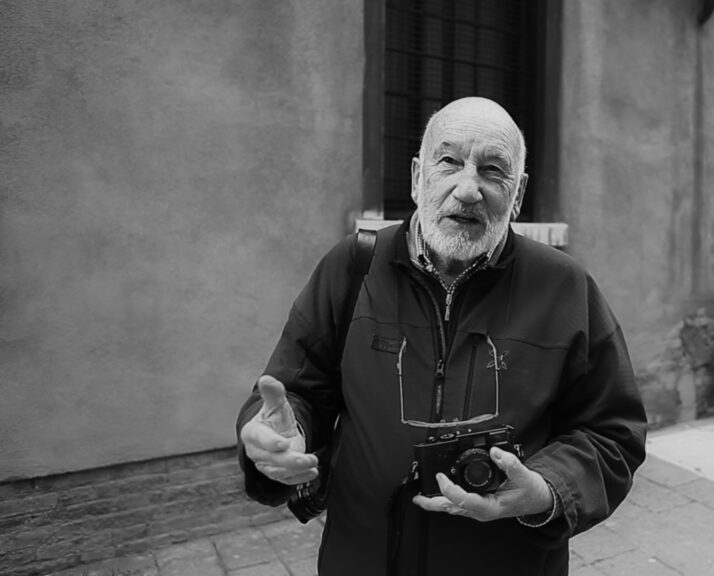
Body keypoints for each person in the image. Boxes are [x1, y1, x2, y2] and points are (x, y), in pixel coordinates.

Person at [236, 96, 647, 575]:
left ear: (517, 194)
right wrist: (279, 437)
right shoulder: (354, 268)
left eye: (494, 170)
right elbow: (298, 392)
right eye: (449, 160)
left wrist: (547, 488)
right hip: (363, 557)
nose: (468, 188)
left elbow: (613, 432)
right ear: (417, 177)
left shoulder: (564, 288)